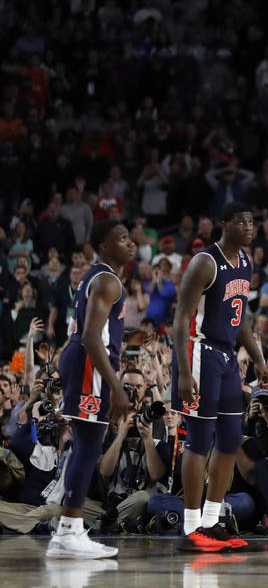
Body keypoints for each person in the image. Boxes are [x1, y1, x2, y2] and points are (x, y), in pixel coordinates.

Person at [171, 201, 268, 552]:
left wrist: (257, 357)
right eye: (241, 221)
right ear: (223, 224)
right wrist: (183, 371)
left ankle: (212, 522)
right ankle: (190, 526)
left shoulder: (246, 262)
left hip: (229, 356)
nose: (248, 226)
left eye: (252, 221)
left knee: (229, 440)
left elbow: (240, 317)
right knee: (198, 440)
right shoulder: (204, 262)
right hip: (199, 352)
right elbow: (181, 319)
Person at [48, 220, 136, 559]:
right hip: (88, 364)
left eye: (130, 237)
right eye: (123, 238)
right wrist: (116, 387)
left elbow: (94, 328)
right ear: (104, 246)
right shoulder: (107, 281)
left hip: (82, 359)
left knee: (86, 444)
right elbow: (89, 336)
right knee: (87, 445)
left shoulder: (99, 278)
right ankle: (69, 531)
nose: (131, 243)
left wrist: (125, 338)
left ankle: (67, 529)